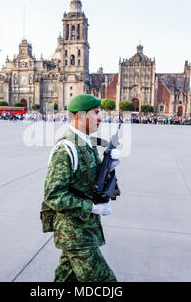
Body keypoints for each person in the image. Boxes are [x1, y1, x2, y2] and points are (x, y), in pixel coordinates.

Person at [41, 94, 120, 282]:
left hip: (84, 228)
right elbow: (53, 195)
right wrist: (91, 207)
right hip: (74, 233)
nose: (100, 117)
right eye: (96, 113)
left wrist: (109, 167)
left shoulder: (87, 143)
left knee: (66, 279)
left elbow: (91, 181)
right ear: (81, 116)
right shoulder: (66, 148)